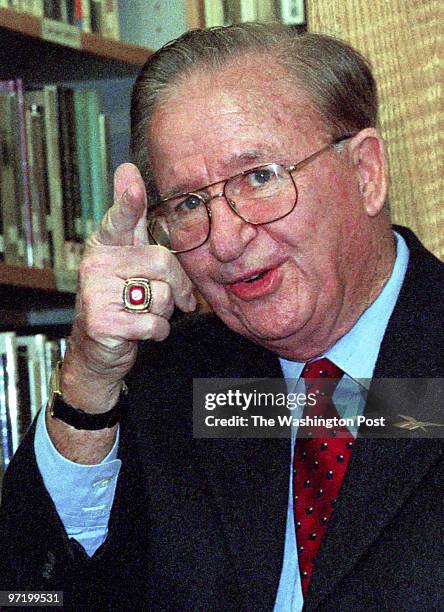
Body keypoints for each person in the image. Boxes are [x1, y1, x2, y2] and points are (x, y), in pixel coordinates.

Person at [1, 23, 443, 611]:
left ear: (366, 172)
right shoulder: (173, 385)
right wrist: (88, 377)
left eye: (259, 178)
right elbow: (32, 596)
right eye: (189, 204)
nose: (227, 240)